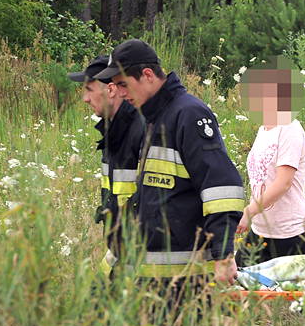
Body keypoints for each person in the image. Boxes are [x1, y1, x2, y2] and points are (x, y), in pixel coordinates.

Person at [95, 39, 244, 288]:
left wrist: (223, 254)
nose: (119, 93)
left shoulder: (189, 114)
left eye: (123, 84)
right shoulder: (152, 118)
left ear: (148, 75)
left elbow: (221, 189)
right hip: (153, 278)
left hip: (189, 280)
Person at [67, 55, 144, 278]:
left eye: (89, 89)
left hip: (138, 252)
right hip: (120, 248)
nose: (85, 99)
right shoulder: (116, 129)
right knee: (96, 302)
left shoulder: (140, 129)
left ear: (110, 90)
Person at [234, 58, 305, 267]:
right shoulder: (264, 129)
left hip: (291, 235)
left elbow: (283, 183)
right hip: (261, 232)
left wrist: (248, 211)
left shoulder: (289, 128)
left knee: (294, 298)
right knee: (240, 283)